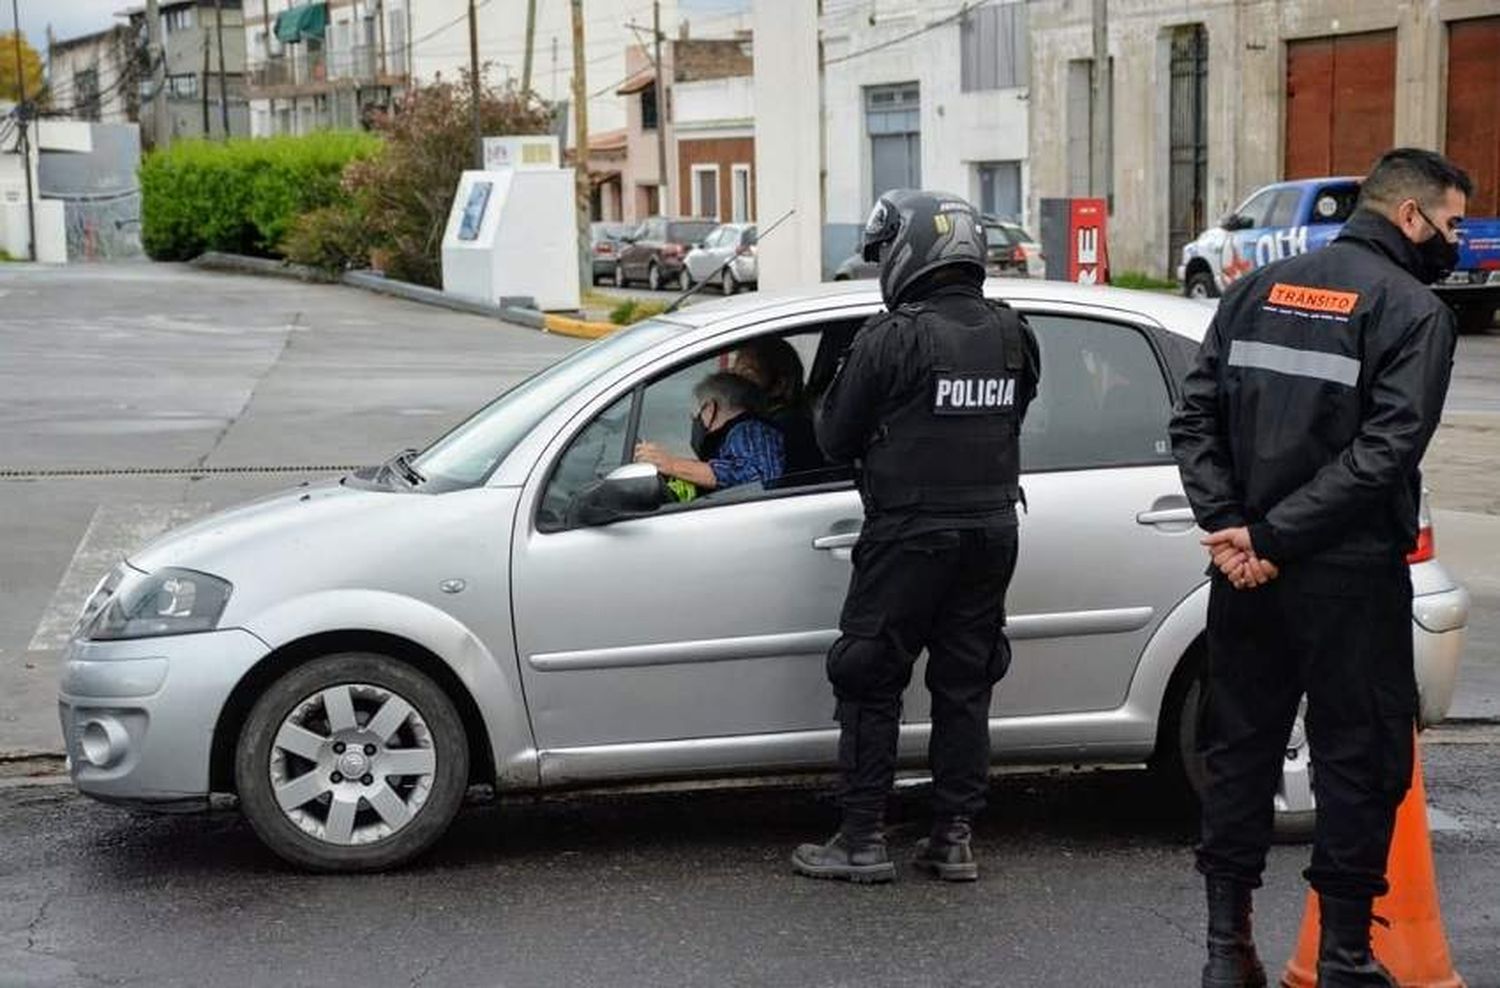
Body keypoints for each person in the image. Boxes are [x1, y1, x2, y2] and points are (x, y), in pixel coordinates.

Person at [1169, 148, 1468, 988]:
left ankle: (1226, 954)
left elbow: (1194, 419)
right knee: (1359, 761)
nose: (1454, 240)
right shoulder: (1412, 310)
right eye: (1449, 224)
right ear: (1409, 217)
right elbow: (1384, 455)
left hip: (1246, 579)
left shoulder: (1258, 289)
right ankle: (1343, 958)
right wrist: (1266, 538)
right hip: (1344, 577)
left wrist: (1234, 530)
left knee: (1239, 753)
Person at [790, 189, 1040, 884]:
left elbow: (834, 436)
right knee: (966, 681)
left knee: (868, 676)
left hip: (910, 535)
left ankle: (863, 837)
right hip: (992, 532)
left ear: (908, 253)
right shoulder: (1013, 332)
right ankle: (953, 835)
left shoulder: (892, 337)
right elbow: (1014, 412)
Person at [634, 370, 785, 494]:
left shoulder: (750, 431)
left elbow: (759, 479)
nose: (695, 419)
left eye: (696, 411)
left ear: (711, 407)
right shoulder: (731, 436)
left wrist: (672, 465)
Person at [730, 337, 824, 476]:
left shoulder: (781, 431)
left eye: (747, 375)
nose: (734, 384)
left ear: (779, 386)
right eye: (733, 374)